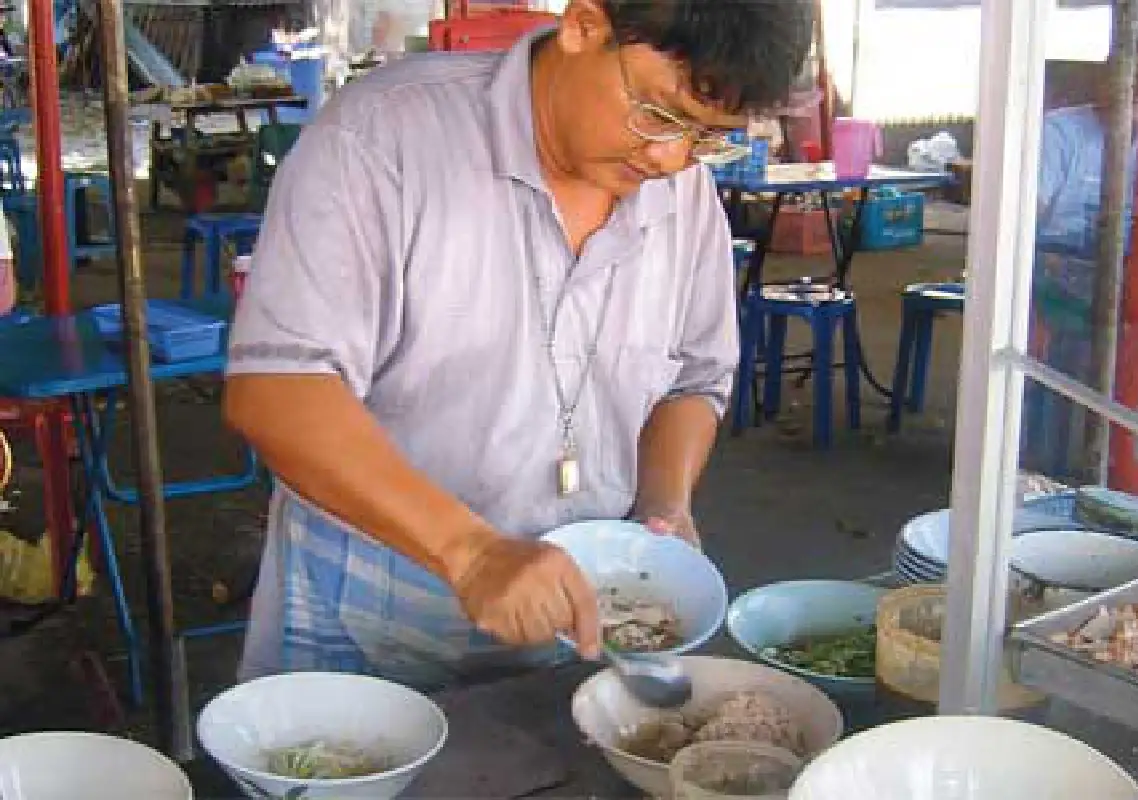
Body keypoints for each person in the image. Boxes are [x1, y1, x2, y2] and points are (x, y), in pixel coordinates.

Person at [225, 0, 812, 688]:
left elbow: (693, 379)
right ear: (585, 25)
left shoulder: (683, 197)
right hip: (367, 614)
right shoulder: (382, 138)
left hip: (574, 626)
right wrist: (471, 556)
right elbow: (279, 389)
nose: (671, 158)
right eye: (659, 114)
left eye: (709, 138)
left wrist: (664, 505)